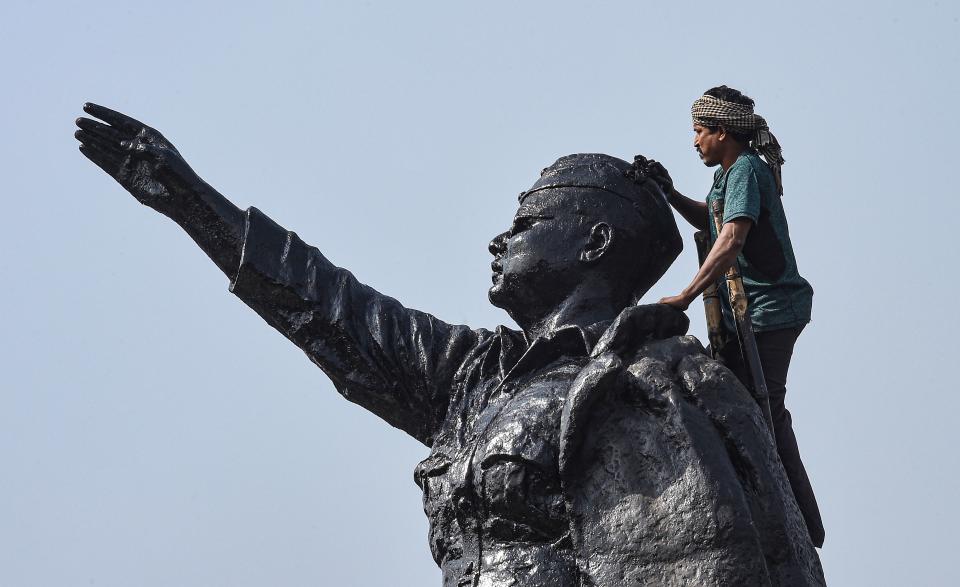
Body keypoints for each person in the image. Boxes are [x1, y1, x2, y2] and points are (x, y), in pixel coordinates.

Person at [74, 103, 825, 585]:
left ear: (595, 241)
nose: (499, 239)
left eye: (526, 222)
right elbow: (330, 305)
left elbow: (718, 561)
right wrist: (185, 196)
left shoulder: (659, 376)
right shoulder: (476, 375)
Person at [652, 85, 825, 547]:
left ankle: (801, 518)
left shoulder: (746, 168)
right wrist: (667, 192)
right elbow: (710, 222)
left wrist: (685, 296)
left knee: (765, 407)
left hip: (772, 309)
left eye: (698, 131)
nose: (694, 141)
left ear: (721, 131)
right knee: (738, 399)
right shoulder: (725, 176)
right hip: (744, 314)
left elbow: (730, 239)